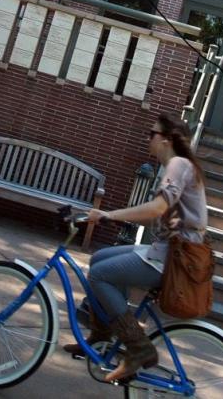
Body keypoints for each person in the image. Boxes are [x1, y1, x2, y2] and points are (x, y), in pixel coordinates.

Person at [63, 111, 208, 383]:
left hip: (175, 258)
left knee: (100, 275)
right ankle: (102, 336)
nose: (148, 138)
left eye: (151, 134)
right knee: (100, 259)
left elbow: (157, 208)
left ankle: (139, 348)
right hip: (167, 249)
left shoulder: (178, 164)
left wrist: (108, 215)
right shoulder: (177, 166)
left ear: (166, 140)